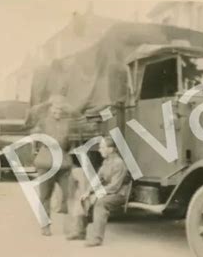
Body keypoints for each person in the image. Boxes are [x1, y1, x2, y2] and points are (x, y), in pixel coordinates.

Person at [67, 136, 131, 247]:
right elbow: (98, 179)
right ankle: (80, 232)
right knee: (83, 197)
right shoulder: (107, 162)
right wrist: (88, 191)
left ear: (110, 149)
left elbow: (114, 187)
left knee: (101, 203)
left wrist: (97, 193)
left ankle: (97, 238)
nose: (99, 150)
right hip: (109, 191)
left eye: (102, 147)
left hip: (119, 194)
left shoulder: (118, 163)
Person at [31, 95, 74, 236]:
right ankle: (45, 226)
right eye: (55, 107)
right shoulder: (42, 122)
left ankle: (71, 228)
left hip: (63, 165)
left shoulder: (67, 123)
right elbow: (34, 135)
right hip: (46, 163)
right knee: (45, 196)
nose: (58, 110)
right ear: (50, 108)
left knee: (71, 194)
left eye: (61, 108)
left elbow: (69, 143)